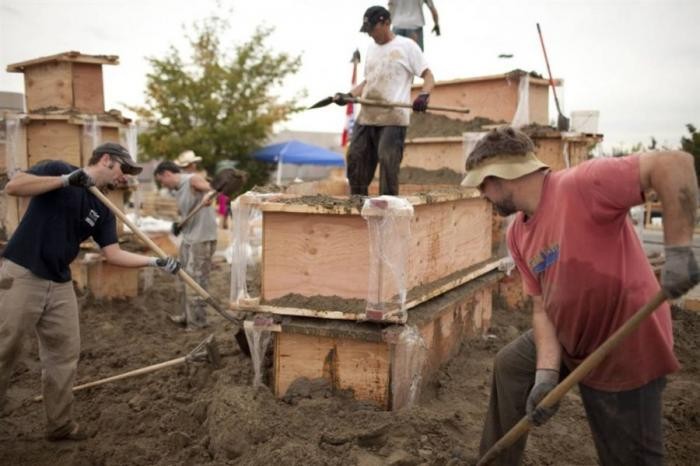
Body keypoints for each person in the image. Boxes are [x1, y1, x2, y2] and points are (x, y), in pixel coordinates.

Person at [460, 127, 699, 465]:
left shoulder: (583, 184)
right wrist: (545, 373)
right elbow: (542, 309)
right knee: (512, 366)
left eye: (483, 184)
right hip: (570, 336)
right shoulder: (517, 233)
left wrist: (678, 250)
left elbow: (675, 164)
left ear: (502, 175)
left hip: (624, 342)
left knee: (627, 456)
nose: (482, 194)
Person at [0, 142, 181, 441]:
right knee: (5, 349)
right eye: (124, 170)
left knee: (64, 356)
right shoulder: (57, 169)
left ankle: (59, 426)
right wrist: (66, 181)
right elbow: (15, 187)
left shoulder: (103, 207)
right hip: (23, 274)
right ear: (107, 160)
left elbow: (113, 254)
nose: (126, 178)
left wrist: (155, 261)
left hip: (59, 283)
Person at [333, 5, 435, 196]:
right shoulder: (371, 48)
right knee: (355, 160)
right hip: (367, 117)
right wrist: (348, 96)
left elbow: (429, 77)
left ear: (386, 22)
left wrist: (424, 95)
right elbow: (368, 82)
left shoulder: (407, 46)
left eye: (373, 28)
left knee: (388, 162)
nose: (370, 34)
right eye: (367, 30)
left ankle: (388, 210)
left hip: (393, 119)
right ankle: (358, 204)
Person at [154, 161, 218, 330]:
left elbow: (211, 189)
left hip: (202, 239)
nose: (163, 184)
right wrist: (179, 225)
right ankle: (186, 315)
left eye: (161, 180)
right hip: (189, 238)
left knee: (196, 281)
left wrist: (208, 196)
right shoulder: (179, 190)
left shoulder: (192, 179)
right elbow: (188, 214)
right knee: (182, 277)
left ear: (167, 173)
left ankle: (197, 322)